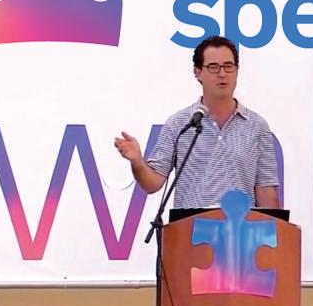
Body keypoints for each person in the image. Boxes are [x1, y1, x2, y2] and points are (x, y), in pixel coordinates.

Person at [114, 36, 280, 208]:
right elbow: (152, 183)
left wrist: (276, 225)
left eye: (228, 66)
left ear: (237, 70)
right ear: (197, 72)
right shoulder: (179, 124)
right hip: (191, 225)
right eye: (213, 67)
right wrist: (137, 162)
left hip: (240, 224)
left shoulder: (257, 126)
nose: (222, 73)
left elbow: (266, 191)